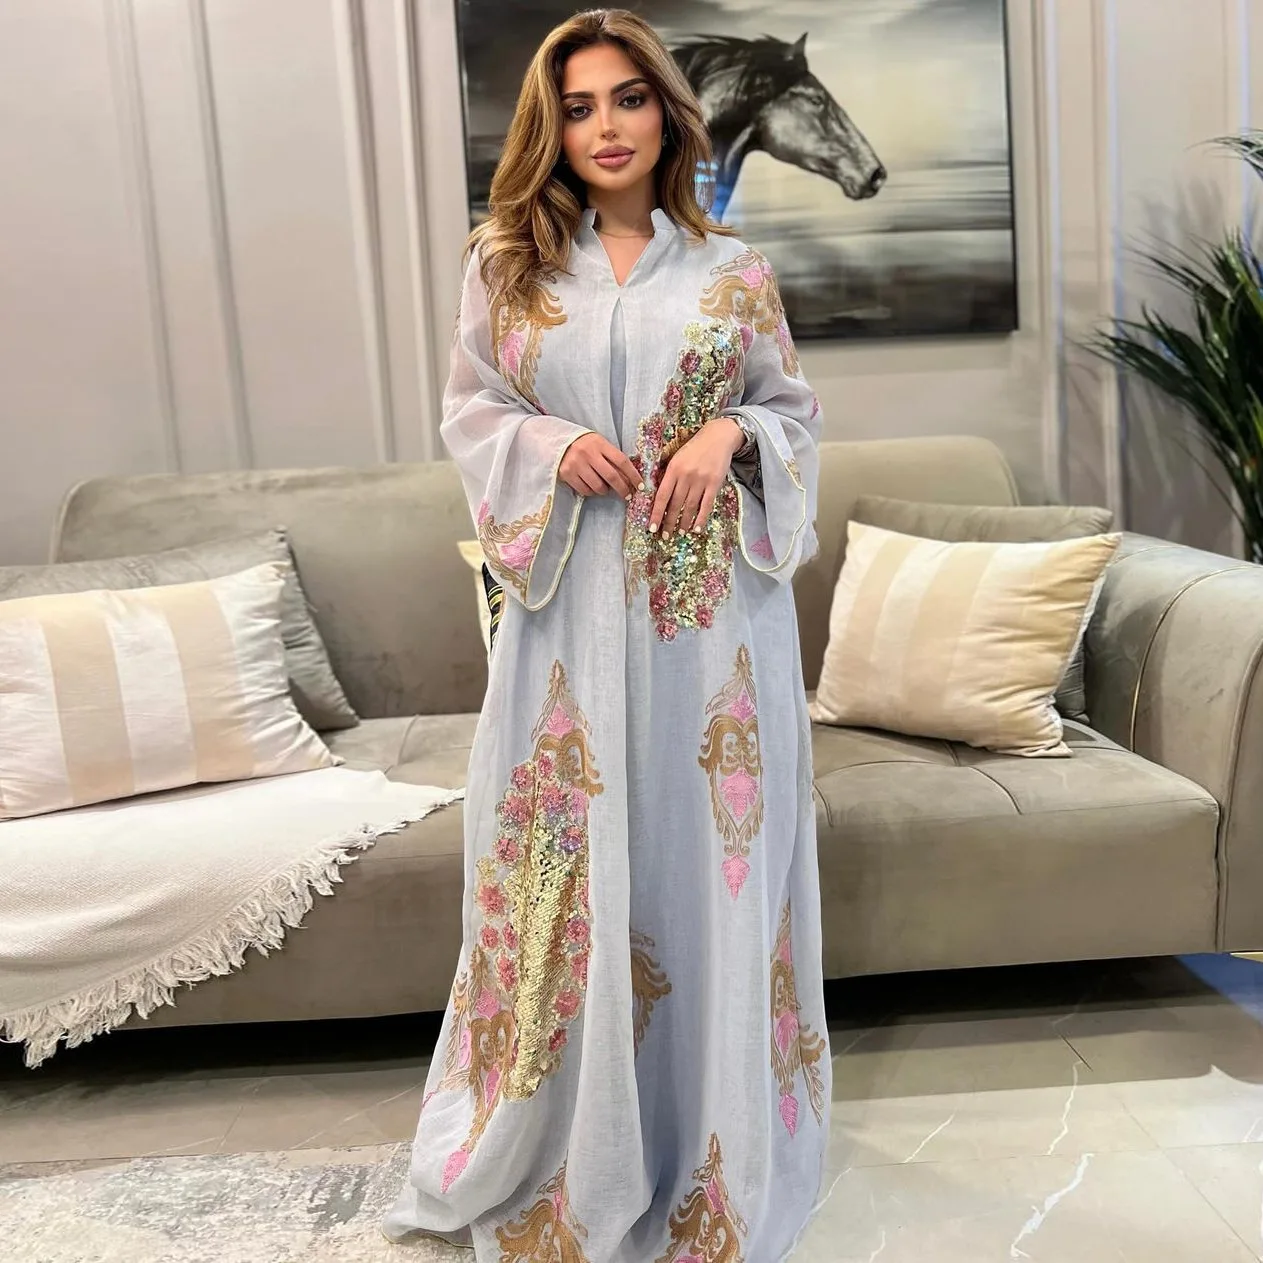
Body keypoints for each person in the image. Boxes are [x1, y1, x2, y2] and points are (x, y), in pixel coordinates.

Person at [383, 9, 829, 1259]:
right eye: (577, 107)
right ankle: (567, 1143)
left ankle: (712, 1140)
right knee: (567, 864)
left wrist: (730, 432)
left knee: (704, 870)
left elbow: (792, 412)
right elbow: (471, 412)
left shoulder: (732, 270)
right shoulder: (508, 268)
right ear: (553, 128)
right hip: (573, 625)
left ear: (667, 115)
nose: (606, 127)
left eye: (628, 99)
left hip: (714, 633)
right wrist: (549, 441)